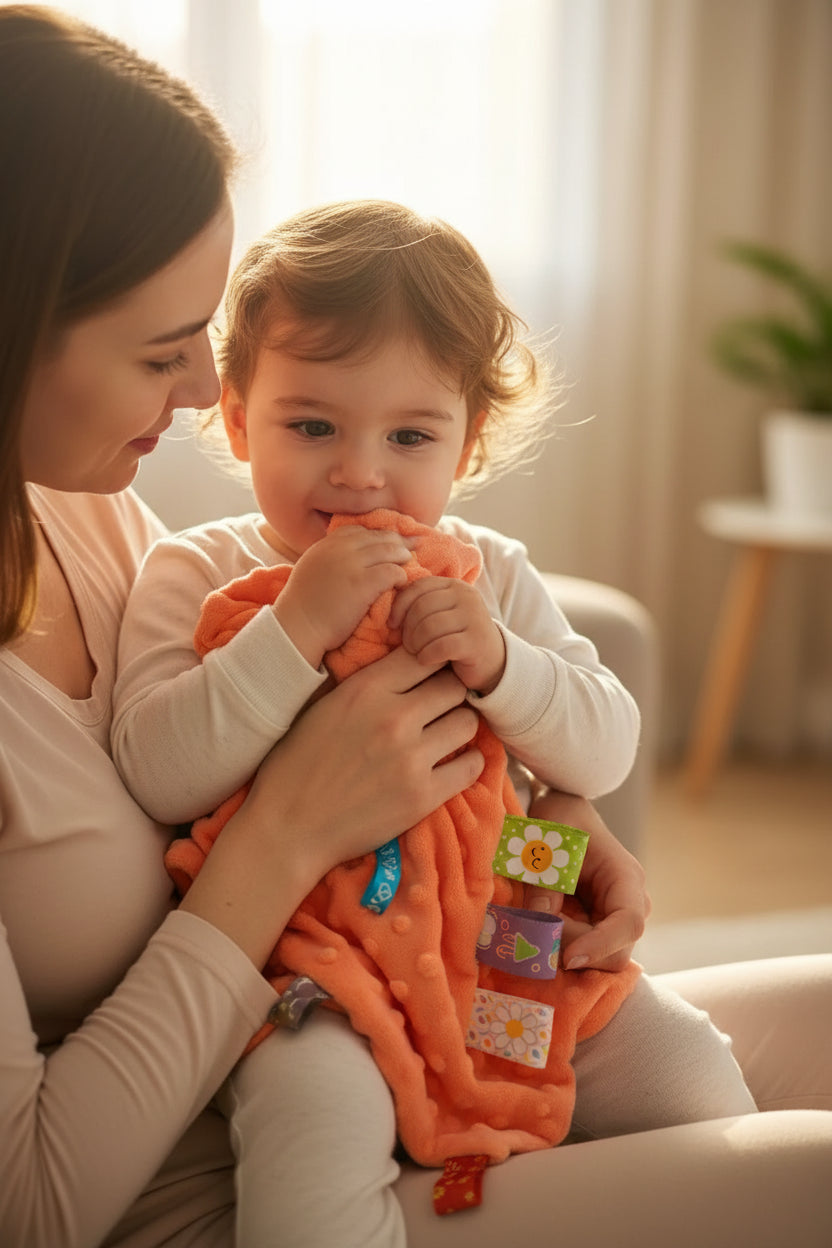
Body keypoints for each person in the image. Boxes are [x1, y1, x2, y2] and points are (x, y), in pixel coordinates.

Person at [0, 7, 829, 1248]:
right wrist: (296, 655)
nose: (358, 473)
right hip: (304, 1002)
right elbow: (162, 766)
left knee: (701, 1078)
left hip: (493, 953)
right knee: (798, 1180)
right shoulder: (198, 570)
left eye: (409, 435)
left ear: (466, 442)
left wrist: (552, 801)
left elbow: (592, 739)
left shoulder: (87, 510)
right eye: (167, 351)